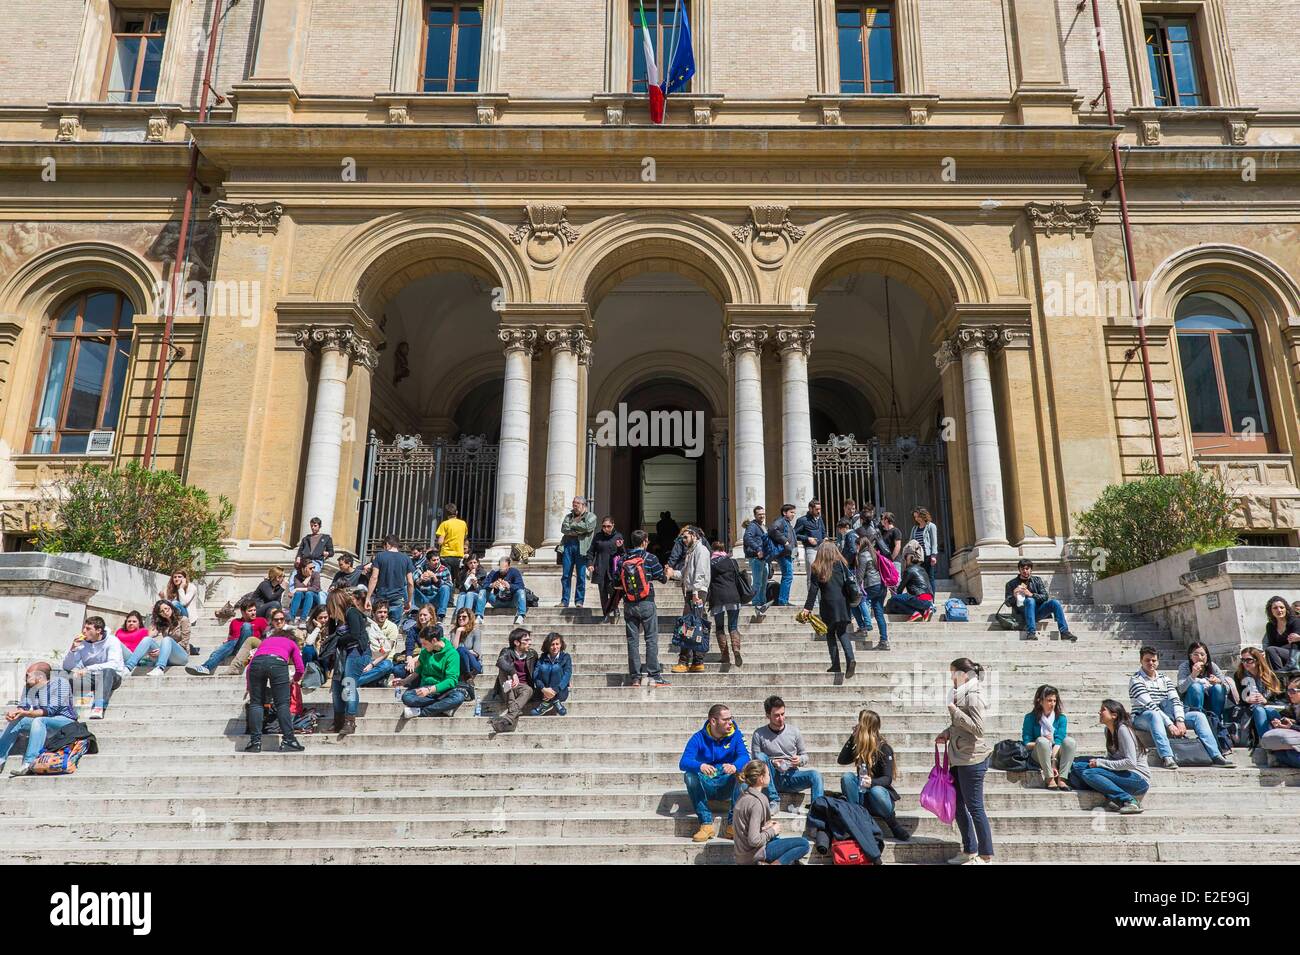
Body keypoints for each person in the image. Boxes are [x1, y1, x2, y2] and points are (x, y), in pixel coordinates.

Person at [1130, 645, 1229, 769]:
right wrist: (1170, 724)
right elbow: (1150, 706)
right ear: (1141, 661)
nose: (1151, 663)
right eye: (1147, 660)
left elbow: (1175, 700)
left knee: (1198, 716)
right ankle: (1167, 757)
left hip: (1168, 713)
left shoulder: (1164, 679)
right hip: (1143, 716)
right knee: (1154, 715)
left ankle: (1216, 755)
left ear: (1158, 661)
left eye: (1154, 660)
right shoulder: (1136, 680)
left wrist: (1180, 720)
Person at [934, 658, 993, 864]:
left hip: (973, 759)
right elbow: (960, 727)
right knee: (958, 804)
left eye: (953, 673)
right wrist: (947, 732)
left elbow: (978, 728)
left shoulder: (974, 696)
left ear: (963, 674)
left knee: (975, 807)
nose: (951, 677)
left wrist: (955, 712)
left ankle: (985, 857)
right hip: (959, 757)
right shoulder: (961, 694)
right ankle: (970, 850)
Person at [680, 703, 750, 842]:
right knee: (689, 776)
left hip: (726, 783)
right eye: (725, 720)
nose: (730, 722)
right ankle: (706, 824)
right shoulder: (698, 737)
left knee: (743, 774)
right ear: (713, 721)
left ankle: (733, 826)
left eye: (731, 718)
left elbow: (745, 756)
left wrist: (735, 766)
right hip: (707, 784)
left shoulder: (736, 735)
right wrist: (700, 766)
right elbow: (683, 762)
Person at [1066, 699, 1150, 812]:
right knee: (1077, 766)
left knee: (1088, 773)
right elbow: (1112, 759)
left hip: (1138, 779)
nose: (1099, 713)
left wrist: (1100, 763)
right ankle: (1108, 791)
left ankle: (1129, 800)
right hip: (1122, 774)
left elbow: (1131, 762)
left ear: (1114, 715)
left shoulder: (1123, 730)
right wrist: (1100, 763)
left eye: (1103, 710)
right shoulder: (1108, 731)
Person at [837, 708, 908, 839]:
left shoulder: (884, 748)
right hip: (862, 795)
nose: (857, 725)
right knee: (847, 777)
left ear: (866, 727)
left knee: (877, 791)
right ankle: (857, 817)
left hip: (879, 800)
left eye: (860, 723)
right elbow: (841, 760)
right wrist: (852, 738)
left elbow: (887, 779)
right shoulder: (860, 747)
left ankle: (893, 824)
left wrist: (872, 782)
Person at [750, 695, 824, 813]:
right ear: (768, 716)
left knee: (816, 775)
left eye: (782, 714)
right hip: (770, 777)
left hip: (791, 775)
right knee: (760, 757)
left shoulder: (794, 731)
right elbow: (755, 761)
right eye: (776, 715)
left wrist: (800, 760)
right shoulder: (759, 734)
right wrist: (772, 762)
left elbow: (805, 755)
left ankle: (818, 811)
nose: (781, 718)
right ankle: (774, 800)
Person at [1, 663, 78, 775]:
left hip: (65, 722)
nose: (25, 678)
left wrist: (25, 712)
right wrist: (15, 713)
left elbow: (50, 711)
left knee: (39, 720)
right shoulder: (29, 686)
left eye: (28, 675)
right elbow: (24, 706)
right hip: (43, 722)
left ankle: (29, 763)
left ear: (40, 677)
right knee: (18, 720)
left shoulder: (60, 683)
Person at [798, 539, 857, 678]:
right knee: (842, 632)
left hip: (827, 604)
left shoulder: (817, 567)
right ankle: (850, 658)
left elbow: (813, 590)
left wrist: (807, 608)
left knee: (830, 633)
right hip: (843, 603)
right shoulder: (841, 564)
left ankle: (835, 663)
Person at [244, 621, 306, 753]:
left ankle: (255, 742)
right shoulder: (291, 643)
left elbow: (249, 667)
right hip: (277, 663)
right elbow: (300, 668)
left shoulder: (266, 641)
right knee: (282, 704)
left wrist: (249, 686)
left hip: (256, 664)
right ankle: (289, 740)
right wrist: (294, 680)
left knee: (256, 703)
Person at [732, 760, 810, 865]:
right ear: (761, 778)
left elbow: (747, 828)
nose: (770, 776)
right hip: (753, 855)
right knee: (804, 844)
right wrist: (773, 830)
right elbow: (754, 840)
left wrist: (765, 827)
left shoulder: (743, 796)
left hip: (741, 856)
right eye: (768, 774)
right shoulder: (756, 802)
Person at [620, 529, 670, 688]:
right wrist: (667, 572)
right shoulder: (651, 558)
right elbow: (662, 579)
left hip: (628, 603)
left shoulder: (624, 559)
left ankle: (635, 678)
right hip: (647, 602)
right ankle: (654, 676)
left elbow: (616, 582)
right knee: (651, 639)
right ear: (644, 542)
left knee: (632, 641)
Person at [61, 616, 128, 719]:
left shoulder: (112, 641)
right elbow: (67, 666)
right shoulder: (82, 643)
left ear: (98, 630)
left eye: (88, 629)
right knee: (63, 675)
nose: (84, 631)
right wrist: (73, 649)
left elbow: (113, 664)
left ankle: (98, 706)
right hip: (91, 678)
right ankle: (62, 708)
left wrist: (88, 668)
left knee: (107, 671)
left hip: (112, 677)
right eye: (84, 628)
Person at [330, 586, 373, 735]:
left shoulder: (352, 612)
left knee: (349, 683)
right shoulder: (337, 619)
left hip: (358, 652)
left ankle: (350, 721)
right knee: (336, 686)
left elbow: (354, 635)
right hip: (344, 654)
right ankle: (338, 720)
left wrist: (338, 641)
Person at [399, 624, 465, 718]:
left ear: (434, 640)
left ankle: (421, 712)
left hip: (443, 691)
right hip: (425, 689)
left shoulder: (452, 654)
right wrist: (404, 681)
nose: (422, 646)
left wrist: (430, 690)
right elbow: (419, 670)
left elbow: (451, 680)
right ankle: (442, 706)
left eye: (425, 643)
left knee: (458, 697)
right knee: (407, 697)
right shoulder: (425, 652)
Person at [188, 599, 268, 676]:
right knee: (230, 643)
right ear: (243, 613)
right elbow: (231, 639)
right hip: (236, 647)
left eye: (254, 610)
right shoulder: (234, 622)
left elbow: (267, 639)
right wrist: (226, 644)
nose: (253, 613)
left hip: (249, 649)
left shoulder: (261, 621)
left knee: (246, 626)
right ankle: (205, 667)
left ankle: (207, 666)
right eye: (250, 611)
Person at [671, 526, 712, 674]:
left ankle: (685, 661)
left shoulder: (701, 551)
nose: (683, 540)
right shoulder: (691, 551)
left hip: (697, 592)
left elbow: (700, 574)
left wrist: (695, 593)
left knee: (688, 625)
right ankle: (696, 661)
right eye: (682, 537)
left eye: (685, 537)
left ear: (694, 536)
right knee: (694, 625)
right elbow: (684, 573)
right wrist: (672, 573)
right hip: (692, 591)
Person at [1021, 684, 1077, 790]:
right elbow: (1026, 743)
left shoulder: (1061, 718)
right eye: (1049, 700)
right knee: (1042, 741)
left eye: (1054, 701)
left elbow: (1059, 741)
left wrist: (1054, 762)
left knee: (1070, 741)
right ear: (1040, 701)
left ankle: (1062, 779)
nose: (1052, 704)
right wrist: (1044, 742)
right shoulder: (1030, 718)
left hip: (1056, 753)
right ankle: (1049, 778)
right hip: (1038, 753)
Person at [1004, 559, 1076, 642]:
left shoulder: (1037, 580)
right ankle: (1031, 633)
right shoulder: (1011, 584)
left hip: (1038, 612)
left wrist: (1031, 594)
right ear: (1019, 570)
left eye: (1027, 569)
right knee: (1030, 601)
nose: (1025, 571)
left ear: (1031, 569)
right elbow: (1007, 603)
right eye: (1022, 569)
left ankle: (1064, 632)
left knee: (1055, 602)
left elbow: (1045, 597)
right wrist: (1014, 596)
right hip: (1023, 613)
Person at [707, 539, 748, 668]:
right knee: (733, 627)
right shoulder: (732, 561)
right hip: (733, 596)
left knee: (719, 628)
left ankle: (725, 656)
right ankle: (736, 650)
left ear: (713, 550)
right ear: (724, 549)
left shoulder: (710, 563)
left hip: (718, 597)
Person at [490, 627, 539, 733]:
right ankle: (514, 708)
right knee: (503, 670)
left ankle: (509, 715)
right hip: (507, 688)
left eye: (529, 640)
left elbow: (539, 670)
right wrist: (513, 673)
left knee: (529, 690)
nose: (529, 643)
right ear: (516, 642)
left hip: (523, 689)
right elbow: (500, 662)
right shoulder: (506, 651)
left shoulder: (532, 654)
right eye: (526, 640)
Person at [126, 600, 193, 676]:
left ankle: (160, 668)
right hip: (167, 658)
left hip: (181, 656)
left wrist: (162, 650)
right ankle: (128, 668)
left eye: (166, 608)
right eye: (161, 611)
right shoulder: (163, 624)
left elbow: (184, 642)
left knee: (167, 639)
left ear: (171, 607)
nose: (165, 612)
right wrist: (154, 620)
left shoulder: (183, 620)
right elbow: (150, 636)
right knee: (147, 640)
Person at [1178, 641, 1237, 721]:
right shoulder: (1184, 667)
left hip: (1211, 704)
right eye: (1196, 654)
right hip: (1192, 704)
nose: (1200, 657)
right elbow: (1181, 689)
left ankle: (1216, 720)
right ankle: (1199, 719)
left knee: (1218, 688)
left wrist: (1218, 681)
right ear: (1190, 656)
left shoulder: (1212, 666)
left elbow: (1227, 688)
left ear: (1207, 656)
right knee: (1196, 687)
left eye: (1202, 654)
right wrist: (1193, 675)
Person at [1236, 646, 1286, 742]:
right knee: (1259, 710)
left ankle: (1282, 738)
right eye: (1242, 660)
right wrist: (1247, 700)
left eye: (1249, 660)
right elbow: (1241, 698)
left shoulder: (1270, 675)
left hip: (1271, 706)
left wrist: (1265, 701)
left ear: (1258, 660)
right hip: (1250, 708)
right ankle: (1266, 742)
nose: (1245, 663)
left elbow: (1280, 698)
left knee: (1267, 710)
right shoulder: (1239, 675)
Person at [558, 496, 598, 609]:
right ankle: (564, 601)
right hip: (568, 547)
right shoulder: (568, 516)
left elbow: (587, 527)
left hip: (582, 548)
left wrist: (573, 526)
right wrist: (578, 530)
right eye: (573, 504)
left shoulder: (591, 516)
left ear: (583, 505)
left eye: (577, 504)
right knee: (566, 575)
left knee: (581, 576)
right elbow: (563, 529)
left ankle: (579, 601)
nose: (574, 506)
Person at [367, 535, 414, 625]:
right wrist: (409, 600)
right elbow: (410, 582)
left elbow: (374, 578)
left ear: (387, 544)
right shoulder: (406, 558)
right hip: (398, 597)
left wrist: (368, 597)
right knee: (394, 628)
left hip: (381, 597)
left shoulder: (380, 556)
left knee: (378, 627)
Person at [855, 529, 890, 650]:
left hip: (872, 586)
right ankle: (884, 640)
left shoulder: (863, 555)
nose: (856, 548)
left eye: (856, 545)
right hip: (881, 586)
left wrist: (855, 588)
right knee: (879, 613)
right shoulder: (874, 553)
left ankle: (863, 626)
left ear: (860, 545)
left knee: (854, 602)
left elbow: (860, 575)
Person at [589, 516, 624, 623]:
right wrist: (590, 564)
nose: (606, 528)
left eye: (608, 526)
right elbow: (591, 552)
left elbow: (623, 554)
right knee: (603, 593)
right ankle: (606, 614)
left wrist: (620, 547)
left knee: (613, 591)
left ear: (613, 525)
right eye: (604, 526)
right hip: (600, 568)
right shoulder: (598, 537)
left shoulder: (618, 537)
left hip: (613, 570)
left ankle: (615, 608)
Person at [357, 602, 400, 688]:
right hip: (369, 658)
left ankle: (356, 682)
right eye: (380, 612)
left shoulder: (392, 627)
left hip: (384, 660)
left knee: (387, 666)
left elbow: (386, 652)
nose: (382, 615)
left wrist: (372, 665)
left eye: (385, 612)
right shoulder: (368, 625)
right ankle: (371, 680)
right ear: (373, 613)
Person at [885, 551, 935, 622]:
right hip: (929, 599)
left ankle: (914, 612)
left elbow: (900, 590)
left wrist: (893, 591)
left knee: (893, 600)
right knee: (903, 600)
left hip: (920, 598)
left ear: (907, 561)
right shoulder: (922, 569)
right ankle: (924, 611)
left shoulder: (908, 570)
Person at [531, 632, 572, 716]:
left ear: (561, 645)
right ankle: (555, 702)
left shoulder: (566, 657)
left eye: (557, 644)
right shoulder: (542, 658)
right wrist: (543, 689)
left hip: (560, 691)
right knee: (544, 668)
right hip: (544, 692)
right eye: (552, 644)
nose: (555, 647)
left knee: (556, 668)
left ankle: (546, 703)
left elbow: (567, 675)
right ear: (547, 646)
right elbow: (535, 675)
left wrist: (555, 690)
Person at [480, 556, 528, 625]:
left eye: (504, 569)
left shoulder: (515, 572)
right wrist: (491, 585)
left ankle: (521, 615)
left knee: (521, 592)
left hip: (511, 601)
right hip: (497, 600)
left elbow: (521, 586)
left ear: (509, 566)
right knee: (483, 592)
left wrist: (509, 586)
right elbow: (484, 585)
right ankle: (479, 616)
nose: (502, 571)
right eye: (500, 569)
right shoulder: (494, 572)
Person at [794, 499, 827, 602]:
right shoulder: (802, 520)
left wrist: (825, 538)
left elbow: (823, 532)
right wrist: (807, 538)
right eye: (817, 509)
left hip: (821, 550)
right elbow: (794, 534)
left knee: (822, 575)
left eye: (819, 509)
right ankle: (813, 602)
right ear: (810, 508)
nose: (819, 511)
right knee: (812, 575)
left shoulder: (820, 519)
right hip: (810, 550)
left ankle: (822, 600)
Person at [742, 505, 771, 617]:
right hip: (755, 558)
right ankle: (755, 602)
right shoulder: (752, 526)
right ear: (755, 515)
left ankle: (762, 602)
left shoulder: (763, 526)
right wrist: (758, 549)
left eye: (763, 514)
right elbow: (747, 538)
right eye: (759, 514)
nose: (762, 516)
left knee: (764, 582)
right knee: (758, 582)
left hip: (763, 558)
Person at [768, 504, 797, 607]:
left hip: (788, 554)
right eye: (791, 512)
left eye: (794, 512)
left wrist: (794, 552)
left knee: (788, 576)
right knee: (788, 576)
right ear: (785, 513)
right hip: (783, 554)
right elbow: (772, 529)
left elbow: (793, 539)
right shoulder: (780, 521)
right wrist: (784, 541)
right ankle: (783, 601)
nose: (793, 514)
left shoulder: (787, 523)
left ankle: (784, 600)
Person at [1268, 676, 1300, 768]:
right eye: (1288, 691)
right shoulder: (1294, 707)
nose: (1289, 694)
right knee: (1279, 752)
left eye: (1293, 691)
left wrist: (1291, 726)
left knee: (1290, 754)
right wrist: (1281, 724)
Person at [1263, 595, 1300, 673]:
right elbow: (1272, 645)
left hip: (1296, 655)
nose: (1279, 610)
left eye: (1281, 607)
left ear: (1286, 609)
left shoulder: (1295, 621)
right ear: (1270, 611)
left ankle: (1287, 669)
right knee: (1270, 651)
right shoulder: (1270, 625)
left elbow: (1295, 641)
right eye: (1275, 608)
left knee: (1272, 650)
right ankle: (1279, 675)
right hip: (1281, 654)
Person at [412, 553, 453, 620]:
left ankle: (441, 615)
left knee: (445, 587)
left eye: (438, 559)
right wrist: (420, 580)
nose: (436, 562)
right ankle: (414, 611)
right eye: (434, 560)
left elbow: (450, 585)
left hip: (436, 598)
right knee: (410, 586)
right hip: (423, 598)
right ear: (428, 561)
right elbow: (413, 578)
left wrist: (436, 579)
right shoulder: (422, 568)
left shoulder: (444, 569)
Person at [433, 503, 469, 580]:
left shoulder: (444, 524)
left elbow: (440, 542)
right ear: (456, 512)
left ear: (446, 514)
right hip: (459, 555)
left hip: (446, 555)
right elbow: (465, 537)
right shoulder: (463, 524)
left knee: (447, 578)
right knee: (455, 578)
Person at [453, 555, 486, 621]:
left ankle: (467, 616)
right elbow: (461, 588)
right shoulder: (463, 573)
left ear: (478, 563)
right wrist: (467, 577)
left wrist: (475, 584)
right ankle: (458, 616)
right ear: (467, 564)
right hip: (466, 596)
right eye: (470, 563)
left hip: (477, 598)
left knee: (470, 593)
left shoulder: (482, 572)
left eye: (475, 562)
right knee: (462, 595)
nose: (473, 565)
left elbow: (482, 592)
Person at [910, 507, 940, 572]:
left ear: (923, 515)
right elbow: (911, 542)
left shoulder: (931, 526)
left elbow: (934, 543)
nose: (916, 519)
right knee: (920, 578)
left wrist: (933, 556)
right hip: (917, 557)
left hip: (928, 556)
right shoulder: (914, 528)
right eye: (915, 517)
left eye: (918, 516)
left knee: (930, 578)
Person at [878, 511, 903, 577]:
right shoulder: (884, 532)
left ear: (886, 520)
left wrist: (891, 559)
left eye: (882, 519)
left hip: (894, 562)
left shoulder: (895, 531)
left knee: (896, 582)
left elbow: (898, 546)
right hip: (886, 562)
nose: (881, 520)